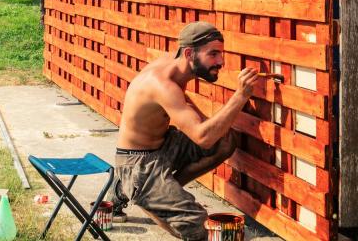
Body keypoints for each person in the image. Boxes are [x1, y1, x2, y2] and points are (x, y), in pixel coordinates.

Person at [110, 21, 260, 240]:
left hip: (162, 144)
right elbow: (203, 138)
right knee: (199, 228)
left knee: (225, 140)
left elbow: (201, 126)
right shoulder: (162, 84)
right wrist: (240, 96)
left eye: (221, 54)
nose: (221, 62)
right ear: (190, 53)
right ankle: (143, 192)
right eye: (213, 54)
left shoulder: (175, 65)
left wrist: (206, 121)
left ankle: (161, 193)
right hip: (137, 165)